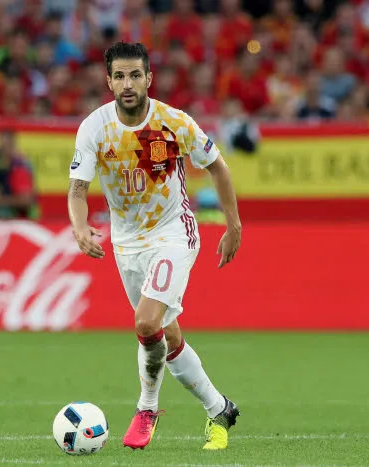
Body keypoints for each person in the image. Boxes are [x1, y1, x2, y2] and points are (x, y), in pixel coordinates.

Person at [67, 42, 242, 451]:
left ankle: (146, 408)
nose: (127, 84)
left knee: (146, 324)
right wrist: (79, 227)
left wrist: (233, 224)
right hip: (127, 244)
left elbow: (217, 166)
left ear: (148, 78)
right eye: (119, 76)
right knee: (167, 336)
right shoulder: (94, 128)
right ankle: (219, 408)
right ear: (109, 82)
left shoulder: (174, 123)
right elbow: (77, 189)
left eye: (135, 75)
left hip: (173, 233)